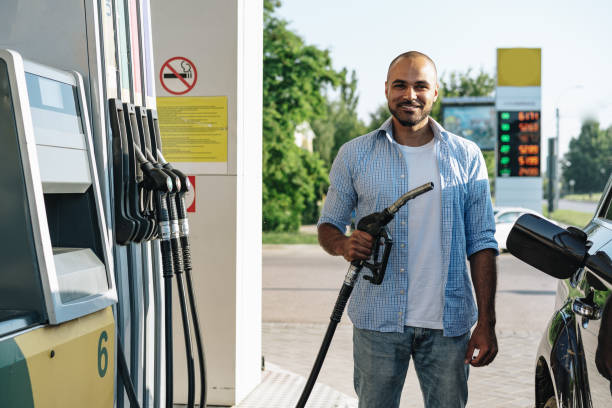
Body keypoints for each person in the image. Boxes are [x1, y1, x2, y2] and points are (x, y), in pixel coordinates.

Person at [317, 51, 499, 408]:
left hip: (449, 325)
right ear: (386, 90)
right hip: (377, 322)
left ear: (435, 93)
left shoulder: (466, 156)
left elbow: (482, 243)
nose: (409, 94)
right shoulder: (355, 155)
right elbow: (328, 226)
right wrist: (343, 245)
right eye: (400, 85)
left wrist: (487, 322)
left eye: (420, 86)